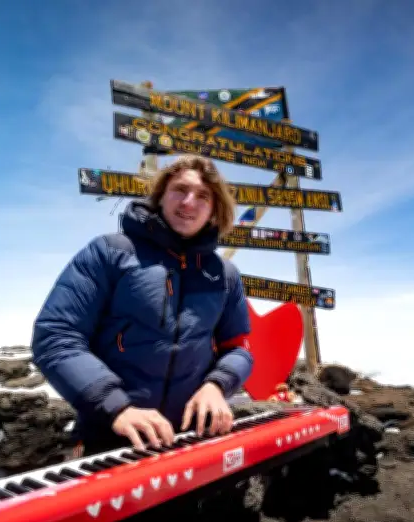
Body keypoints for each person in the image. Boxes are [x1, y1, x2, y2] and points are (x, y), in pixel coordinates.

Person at [31, 155, 254, 455]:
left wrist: (217, 385)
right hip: (109, 437)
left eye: (203, 196)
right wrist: (117, 407)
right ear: (160, 196)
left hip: (190, 439)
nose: (189, 202)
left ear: (214, 209)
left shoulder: (223, 275)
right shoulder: (110, 252)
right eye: (180, 190)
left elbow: (238, 347)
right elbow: (57, 335)